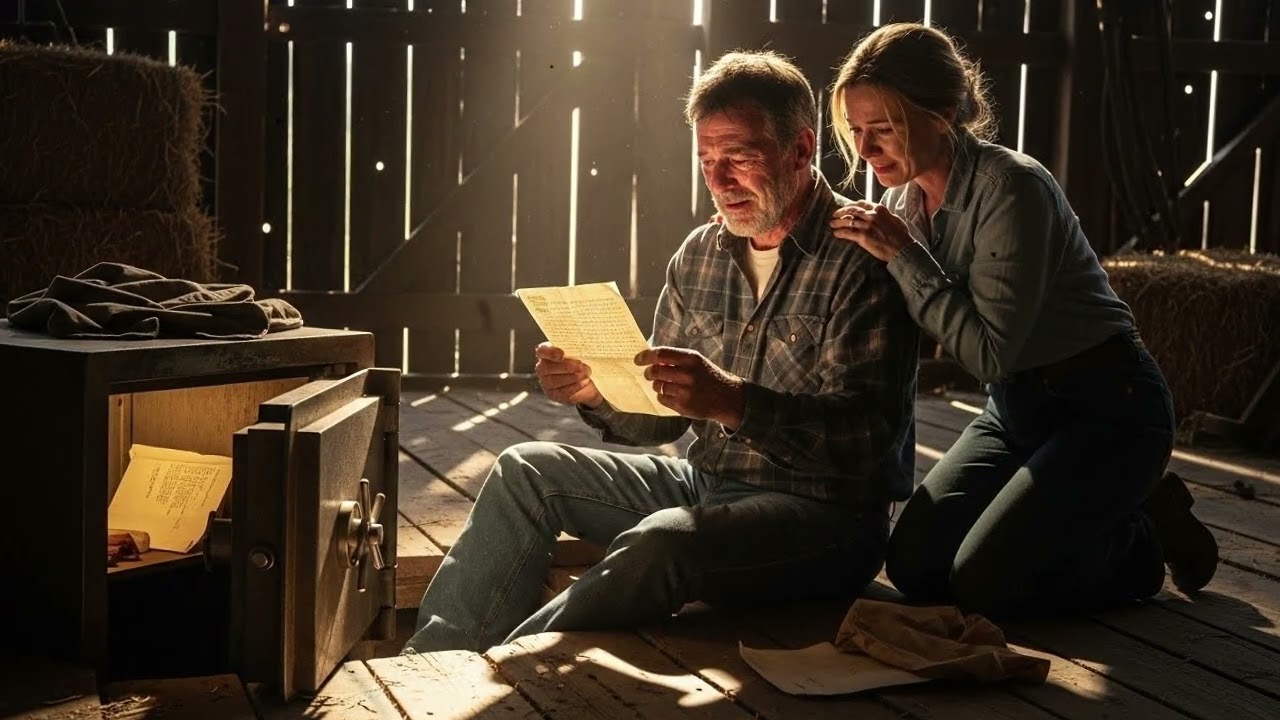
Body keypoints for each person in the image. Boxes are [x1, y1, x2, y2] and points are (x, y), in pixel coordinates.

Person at [403, 50, 920, 653]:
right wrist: (596, 392)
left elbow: (870, 440)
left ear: (801, 151)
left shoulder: (863, 257)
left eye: (740, 159)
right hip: (709, 486)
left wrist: (732, 402)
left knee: (663, 542)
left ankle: (502, 668)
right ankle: (433, 660)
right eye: (707, 162)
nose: (721, 182)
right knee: (526, 470)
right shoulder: (699, 254)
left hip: (827, 520)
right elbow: (660, 416)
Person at [825, 22, 1218, 619]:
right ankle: (1095, 504)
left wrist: (905, 256)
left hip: (1108, 406)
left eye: (885, 129)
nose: (866, 150)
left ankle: (1140, 535)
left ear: (947, 113)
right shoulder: (903, 205)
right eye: (856, 131)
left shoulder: (1012, 187)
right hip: (1014, 409)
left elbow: (989, 356)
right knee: (915, 566)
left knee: (987, 584)